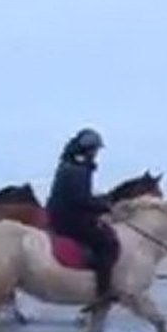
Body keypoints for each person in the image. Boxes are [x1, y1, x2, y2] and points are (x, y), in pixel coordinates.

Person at [45, 128, 118, 303]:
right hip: (68, 218)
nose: (96, 154)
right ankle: (103, 291)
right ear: (88, 149)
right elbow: (80, 199)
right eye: (96, 150)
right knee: (107, 242)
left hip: (60, 213)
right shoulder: (79, 169)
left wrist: (98, 202)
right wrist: (104, 207)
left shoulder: (70, 164)